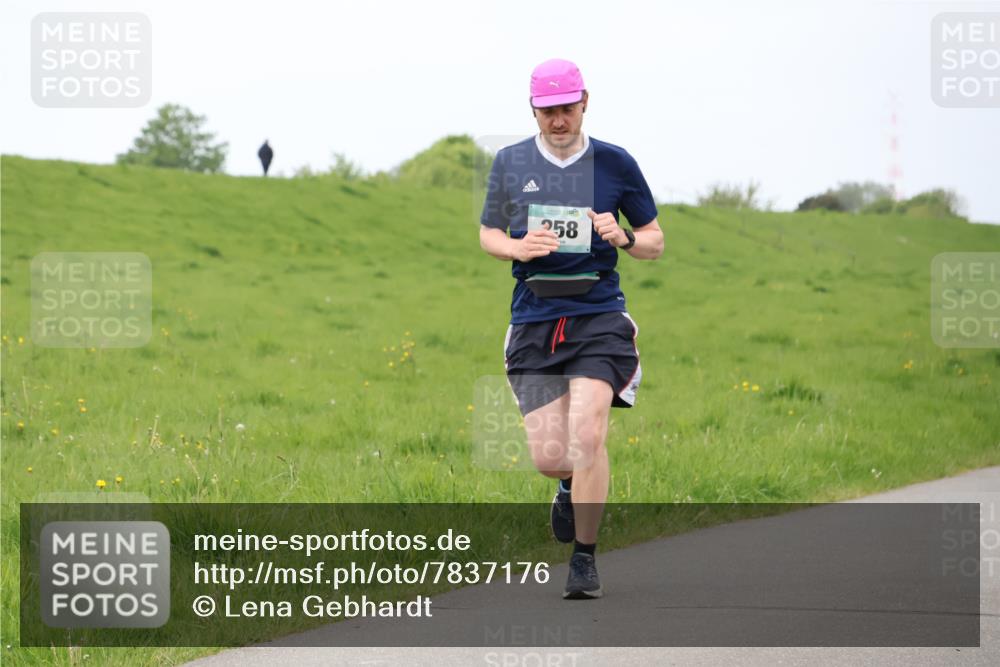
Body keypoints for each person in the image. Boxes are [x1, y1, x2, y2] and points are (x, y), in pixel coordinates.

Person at [479, 58, 664, 599]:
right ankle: (565, 486)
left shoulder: (615, 164)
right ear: (533, 110)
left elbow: (655, 241)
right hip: (534, 319)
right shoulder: (510, 162)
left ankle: (584, 559)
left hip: (598, 317)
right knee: (551, 457)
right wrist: (517, 247)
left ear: (585, 102)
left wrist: (623, 236)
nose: (558, 120)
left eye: (566, 108)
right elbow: (489, 233)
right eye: (547, 111)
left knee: (588, 436)